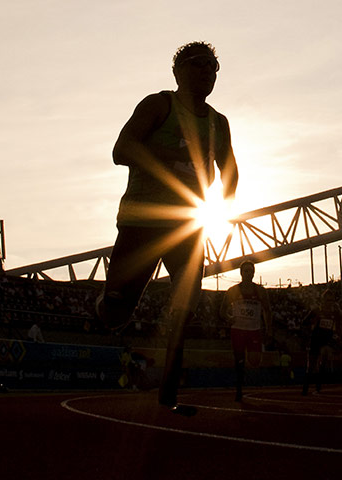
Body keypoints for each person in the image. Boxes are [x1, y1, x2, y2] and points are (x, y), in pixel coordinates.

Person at [97, 41, 239, 416]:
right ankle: (105, 301)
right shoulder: (158, 105)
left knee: (187, 300)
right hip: (142, 222)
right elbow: (121, 149)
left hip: (187, 226)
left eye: (213, 66)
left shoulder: (218, 124)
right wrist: (173, 161)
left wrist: (222, 211)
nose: (207, 72)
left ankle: (168, 393)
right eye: (198, 64)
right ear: (177, 71)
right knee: (116, 313)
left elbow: (231, 171)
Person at [220, 260, 272, 401]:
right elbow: (222, 310)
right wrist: (229, 318)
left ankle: (243, 376)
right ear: (241, 273)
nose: (248, 274)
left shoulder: (260, 291)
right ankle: (239, 387)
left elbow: (267, 311)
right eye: (246, 271)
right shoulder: (233, 291)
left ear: (254, 273)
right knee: (239, 360)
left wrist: (269, 329)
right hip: (238, 329)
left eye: (251, 271)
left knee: (255, 361)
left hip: (254, 330)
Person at [301, 289, 342, 395]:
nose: (329, 303)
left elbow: (340, 323)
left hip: (327, 341)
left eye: (331, 300)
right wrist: (309, 332)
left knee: (323, 362)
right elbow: (304, 323)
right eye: (327, 300)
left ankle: (318, 387)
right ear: (323, 300)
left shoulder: (335, 313)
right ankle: (305, 389)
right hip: (315, 340)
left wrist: (337, 336)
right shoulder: (316, 311)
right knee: (311, 366)